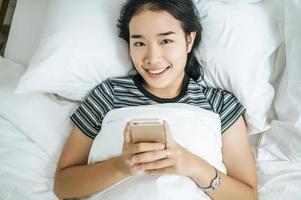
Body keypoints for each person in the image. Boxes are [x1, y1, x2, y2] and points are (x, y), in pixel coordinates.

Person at [53, 0, 258, 199]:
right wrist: (121, 167)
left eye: (166, 41)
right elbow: (63, 185)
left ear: (189, 40)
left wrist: (192, 165)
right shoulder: (108, 95)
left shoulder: (220, 104)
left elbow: (248, 197)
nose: (152, 58)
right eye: (140, 43)